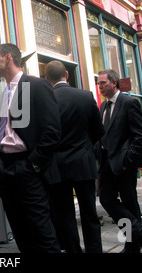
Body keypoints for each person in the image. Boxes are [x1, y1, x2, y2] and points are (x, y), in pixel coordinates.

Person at [0, 43, 62, 253]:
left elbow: (52, 131)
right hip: (4, 170)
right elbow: (3, 129)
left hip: (27, 168)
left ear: (8, 58)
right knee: (20, 232)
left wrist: (33, 164)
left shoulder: (37, 85)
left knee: (42, 232)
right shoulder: (1, 95)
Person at [45, 60, 104, 253]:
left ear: (47, 78)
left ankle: (73, 250)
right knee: (89, 213)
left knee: (65, 215)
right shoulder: (85, 96)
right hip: (83, 162)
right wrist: (85, 145)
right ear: (67, 75)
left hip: (58, 166)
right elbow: (99, 130)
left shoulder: (47, 99)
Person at [97, 69, 142, 253]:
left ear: (114, 82)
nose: (100, 87)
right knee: (106, 199)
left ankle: (131, 246)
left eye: (103, 83)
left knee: (130, 203)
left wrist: (129, 158)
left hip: (124, 164)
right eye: (99, 83)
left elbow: (140, 135)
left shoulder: (129, 102)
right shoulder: (104, 106)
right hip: (106, 163)